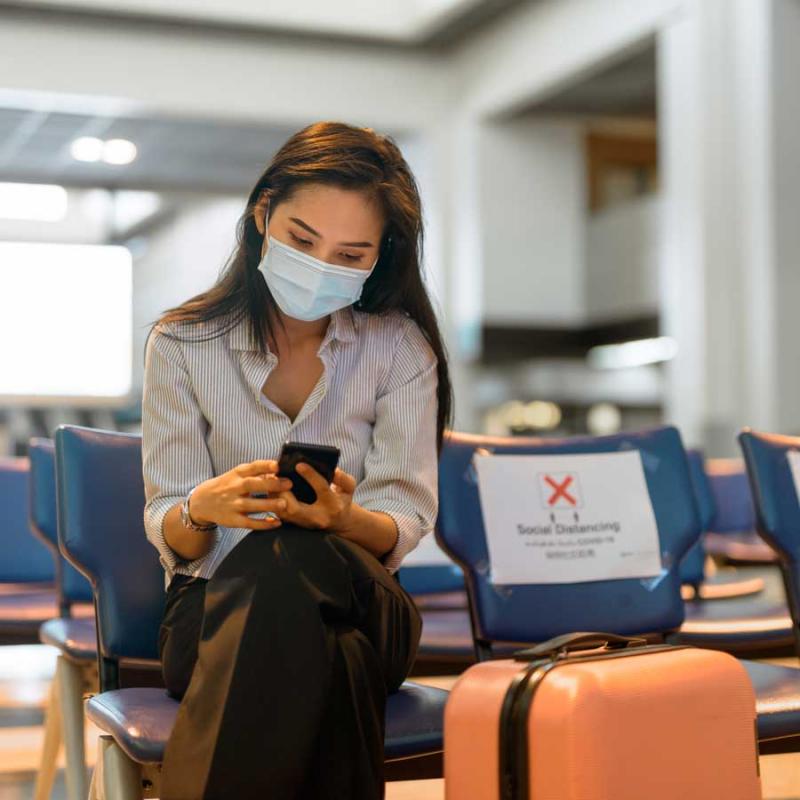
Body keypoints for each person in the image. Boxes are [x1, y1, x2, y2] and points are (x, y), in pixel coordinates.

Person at [141, 120, 453, 799]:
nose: (320, 267)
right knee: (327, 647)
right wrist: (203, 507)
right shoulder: (183, 342)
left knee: (291, 554)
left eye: (349, 255)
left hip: (367, 596)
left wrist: (343, 519)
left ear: (381, 256)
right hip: (213, 608)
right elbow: (167, 516)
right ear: (262, 216)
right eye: (302, 241)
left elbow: (403, 516)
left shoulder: (399, 348)